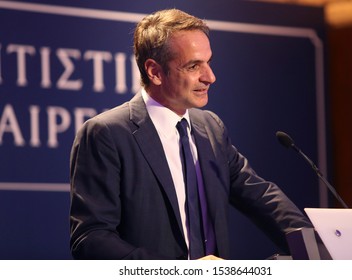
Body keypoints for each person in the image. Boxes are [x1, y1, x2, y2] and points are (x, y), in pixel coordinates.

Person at [69, 8, 312, 260]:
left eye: (208, 62)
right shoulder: (107, 133)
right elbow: (91, 239)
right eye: (194, 65)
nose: (210, 77)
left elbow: (259, 195)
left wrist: (318, 245)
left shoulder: (210, 128)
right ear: (154, 71)